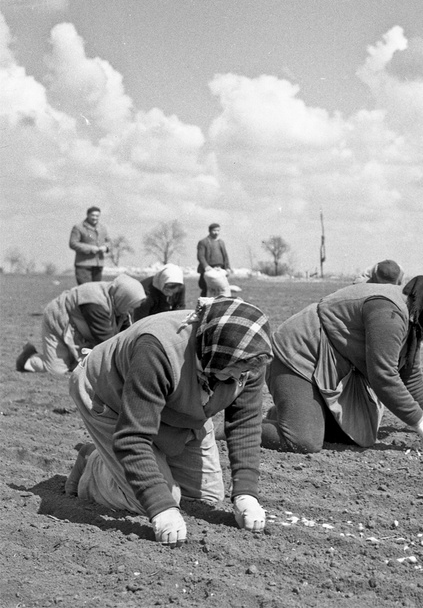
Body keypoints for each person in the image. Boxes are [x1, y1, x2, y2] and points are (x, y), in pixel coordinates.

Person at [64, 296, 273, 547]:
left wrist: (246, 493)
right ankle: (94, 465)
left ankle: (148, 465)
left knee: (206, 498)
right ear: (214, 353)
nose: (240, 377)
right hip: (112, 398)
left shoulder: (250, 356)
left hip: (178, 405)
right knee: (154, 499)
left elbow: (244, 424)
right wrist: (161, 507)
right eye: (233, 369)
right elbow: (133, 436)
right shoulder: (158, 350)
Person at [261, 275, 423, 454]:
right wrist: (420, 422)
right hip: (299, 355)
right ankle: (237, 429)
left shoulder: (414, 317)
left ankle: (290, 412)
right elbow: (383, 375)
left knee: (353, 434)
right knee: (303, 441)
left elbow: (410, 374)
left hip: (330, 365)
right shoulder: (389, 312)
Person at [16, 274, 146, 375]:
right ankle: (27, 358)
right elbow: (106, 340)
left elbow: (126, 332)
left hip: (80, 325)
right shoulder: (96, 303)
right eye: (130, 306)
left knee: (82, 366)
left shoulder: (117, 299)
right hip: (59, 319)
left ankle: (69, 357)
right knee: (56, 370)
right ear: (124, 298)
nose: (131, 311)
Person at [69, 206, 111, 284]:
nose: (95, 218)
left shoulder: (103, 228)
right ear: (88, 215)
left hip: (98, 264)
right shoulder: (78, 227)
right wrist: (90, 248)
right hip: (83, 264)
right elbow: (73, 243)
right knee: (85, 290)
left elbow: (109, 242)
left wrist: (106, 248)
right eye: (93, 215)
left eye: (97, 216)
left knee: (96, 291)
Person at [197, 223, 231, 297]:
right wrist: (206, 266)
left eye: (218, 230)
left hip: (220, 270)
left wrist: (227, 268)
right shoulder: (203, 242)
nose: (216, 232)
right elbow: (201, 256)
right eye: (214, 230)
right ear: (209, 231)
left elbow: (225, 256)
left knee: (221, 291)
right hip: (208, 271)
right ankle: (204, 307)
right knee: (206, 290)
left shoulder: (221, 242)